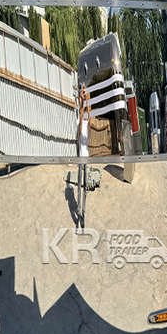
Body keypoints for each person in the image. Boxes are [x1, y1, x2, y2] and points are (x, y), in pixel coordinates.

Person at [76, 84, 90, 231]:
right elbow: (80, 130)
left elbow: (89, 124)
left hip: (87, 158)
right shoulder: (79, 123)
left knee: (85, 186)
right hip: (80, 158)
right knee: (79, 187)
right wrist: (82, 104)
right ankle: (79, 211)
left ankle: (83, 212)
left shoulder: (86, 123)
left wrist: (86, 101)